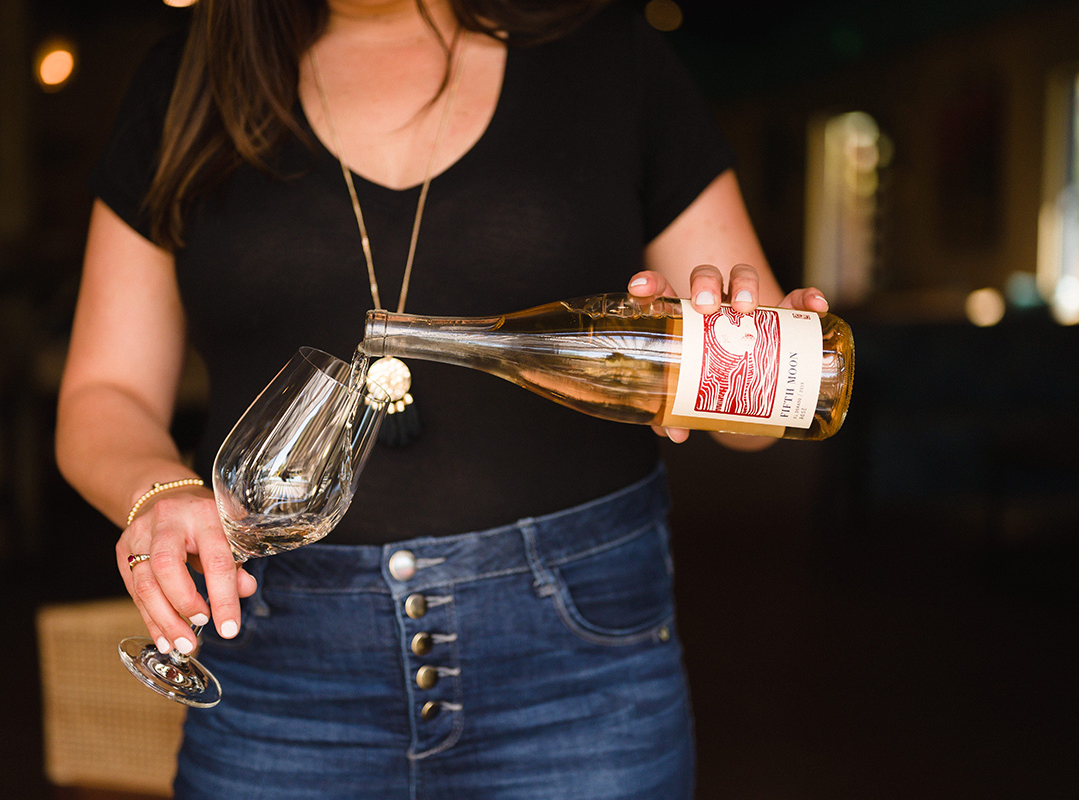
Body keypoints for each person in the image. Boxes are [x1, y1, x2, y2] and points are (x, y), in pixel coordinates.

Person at [55, 1, 830, 797]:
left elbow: (763, 421)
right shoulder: (185, 80)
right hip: (279, 678)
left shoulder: (604, 52)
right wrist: (161, 490)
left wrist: (738, 361)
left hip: (579, 677)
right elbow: (102, 392)